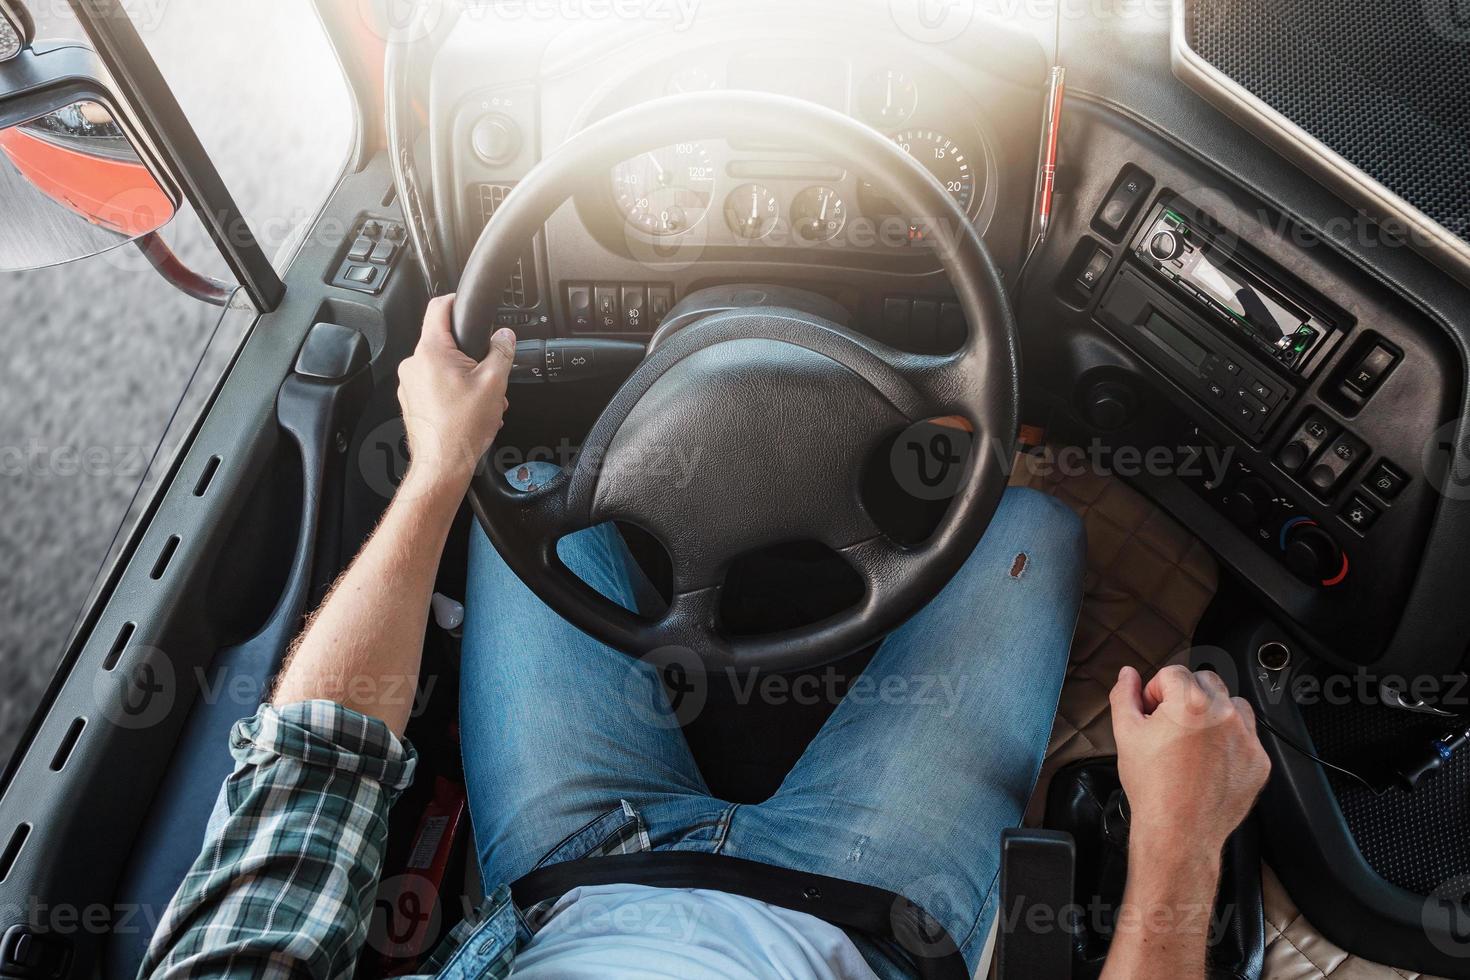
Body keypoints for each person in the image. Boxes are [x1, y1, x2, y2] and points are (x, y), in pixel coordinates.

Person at [138, 296, 1270, 980]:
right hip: (871, 909)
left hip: (578, 867)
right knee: (1028, 525)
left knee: (519, 490)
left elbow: (316, 765)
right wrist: (1180, 841)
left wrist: (437, 464)